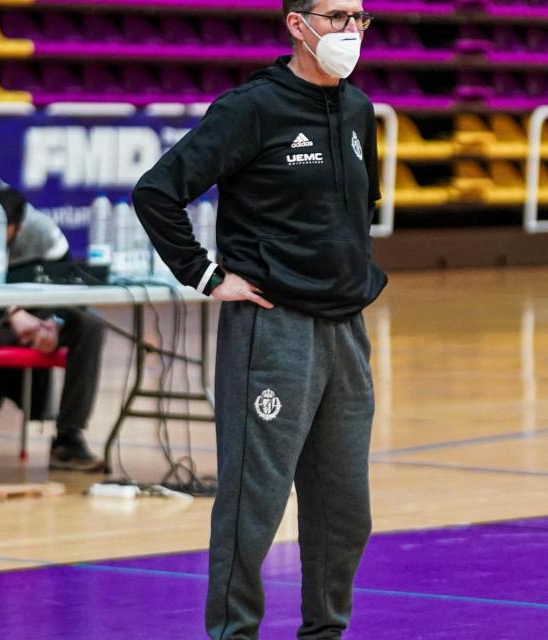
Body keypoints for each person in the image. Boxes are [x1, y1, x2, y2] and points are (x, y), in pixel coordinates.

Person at [131, 1, 386, 638]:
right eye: (336, 17)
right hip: (272, 330)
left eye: (360, 17)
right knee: (255, 505)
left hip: (346, 332)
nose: (351, 31)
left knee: (344, 509)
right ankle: (232, 634)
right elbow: (157, 191)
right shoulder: (251, 108)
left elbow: (355, 213)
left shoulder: (359, 110)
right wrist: (206, 274)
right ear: (297, 25)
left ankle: (325, 632)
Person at [0, 183, 106, 471]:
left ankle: (68, 439)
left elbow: (70, 289)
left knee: (89, 324)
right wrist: (12, 313)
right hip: (4, 319)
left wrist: (53, 324)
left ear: (18, 227)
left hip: (34, 315)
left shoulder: (42, 233)